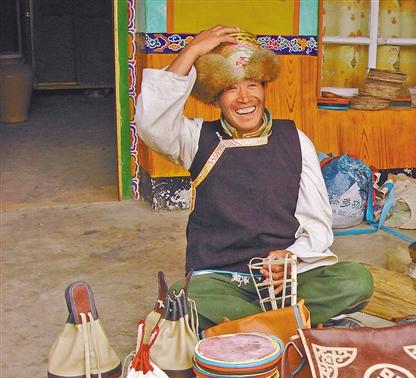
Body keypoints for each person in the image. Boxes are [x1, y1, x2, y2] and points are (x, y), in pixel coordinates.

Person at [135, 26, 373, 329]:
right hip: (222, 279)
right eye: (231, 88)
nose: (244, 98)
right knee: (186, 296)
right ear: (217, 97)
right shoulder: (196, 139)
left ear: (265, 89)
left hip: (284, 279)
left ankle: (251, 328)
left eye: (252, 85)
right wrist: (192, 51)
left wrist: (291, 257)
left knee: (356, 280)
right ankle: (290, 324)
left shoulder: (295, 140)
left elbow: (316, 222)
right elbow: (151, 123)